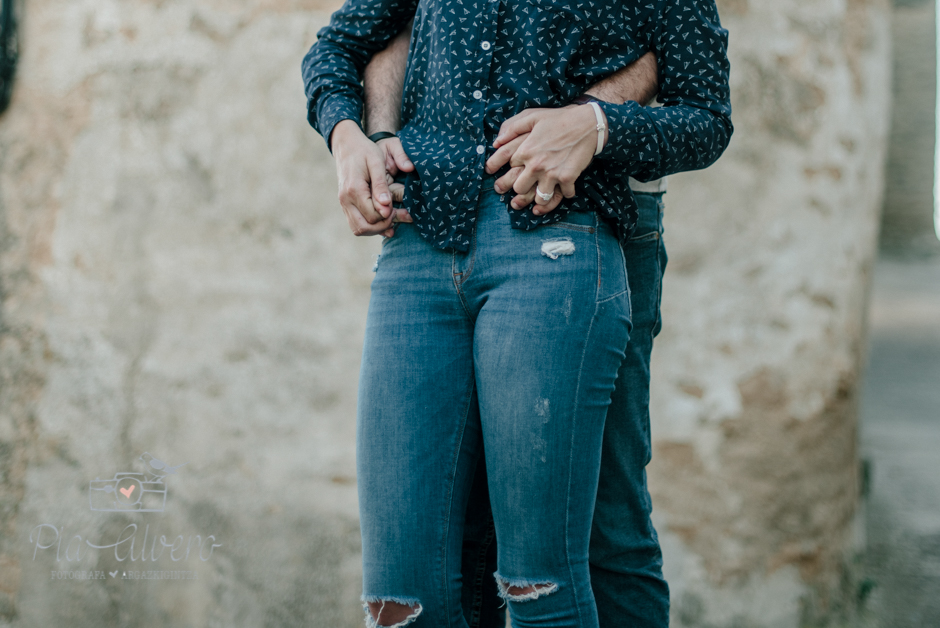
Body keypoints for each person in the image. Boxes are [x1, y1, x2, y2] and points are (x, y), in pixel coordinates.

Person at [302, 1, 731, 625]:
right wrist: (350, 138)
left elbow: (707, 115)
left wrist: (597, 124)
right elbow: (340, 44)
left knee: (573, 558)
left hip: (562, 235)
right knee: (404, 594)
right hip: (422, 241)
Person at [360, 24, 669, 628]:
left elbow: (688, 73)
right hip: (446, 223)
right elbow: (370, 28)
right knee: (460, 534)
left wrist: (595, 120)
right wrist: (366, 133)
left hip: (591, 214)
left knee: (602, 528)